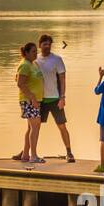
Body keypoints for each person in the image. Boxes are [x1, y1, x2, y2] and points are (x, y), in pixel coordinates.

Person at [36, 33, 76, 162]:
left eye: (49, 44)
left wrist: (62, 97)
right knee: (33, 127)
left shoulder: (57, 59)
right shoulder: (35, 60)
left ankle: (69, 152)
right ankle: (27, 151)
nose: (47, 46)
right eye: (44, 44)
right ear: (39, 45)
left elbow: (63, 79)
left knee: (62, 126)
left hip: (54, 99)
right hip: (40, 100)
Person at [14, 42, 44, 163]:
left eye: (36, 51)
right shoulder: (25, 65)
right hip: (29, 101)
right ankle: (34, 156)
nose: (36, 54)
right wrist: (32, 98)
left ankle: (26, 155)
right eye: (33, 52)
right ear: (26, 53)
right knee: (35, 126)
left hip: (35, 100)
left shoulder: (33, 64)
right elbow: (20, 83)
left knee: (32, 127)